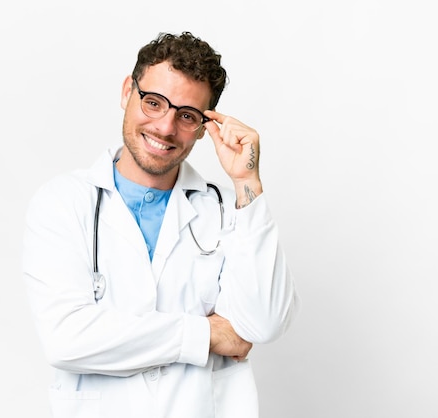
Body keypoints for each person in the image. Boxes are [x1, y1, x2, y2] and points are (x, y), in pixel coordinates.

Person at [23, 31, 300, 418]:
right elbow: (67, 339)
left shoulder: (224, 208)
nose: (166, 128)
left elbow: (265, 323)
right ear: (126, 92)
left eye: (187, 115)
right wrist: (206, 334)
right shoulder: (63, 203)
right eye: (153, 103)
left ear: (205, 127)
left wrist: (246, 182)